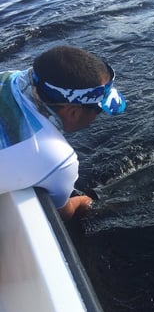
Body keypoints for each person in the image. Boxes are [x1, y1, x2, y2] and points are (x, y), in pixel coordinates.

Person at [0, 45, 126, 220]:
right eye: (98, 111)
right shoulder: (57, 158)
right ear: (73, 112)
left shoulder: (9, 77)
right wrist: (84, 201)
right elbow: (62, 214)